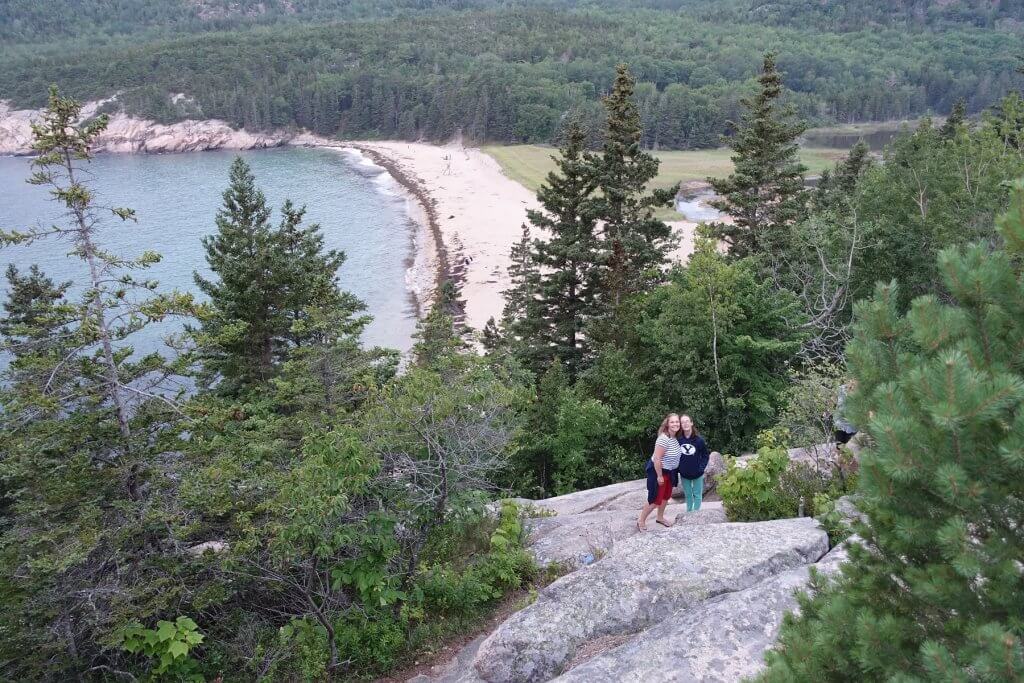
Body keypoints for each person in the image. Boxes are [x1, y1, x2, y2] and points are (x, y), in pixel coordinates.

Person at [637, 413, 682, 531]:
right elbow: (657, 458)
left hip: (670, 471)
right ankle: (641, 520)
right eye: (672, 422)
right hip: (659, 471)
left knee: (666, 496)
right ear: (667, 424)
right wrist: (659, 476)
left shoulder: (674, 437)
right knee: (655, 499)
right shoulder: (663, 439)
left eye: (677, 422)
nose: (675, 424)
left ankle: (660, 517)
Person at [677, 414, 710, 512]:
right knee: (688, 494)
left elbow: (705, 455)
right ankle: (689, 512)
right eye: (683, 422)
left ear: (691, 423)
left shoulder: (699, 440)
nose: (685, 424)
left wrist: (701, 468)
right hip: (684, 473)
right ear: (681, 425)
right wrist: (679, 468)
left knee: (697, 494)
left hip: (697, 473)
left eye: (687, 421)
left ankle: (696, 513)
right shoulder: (678, 440)